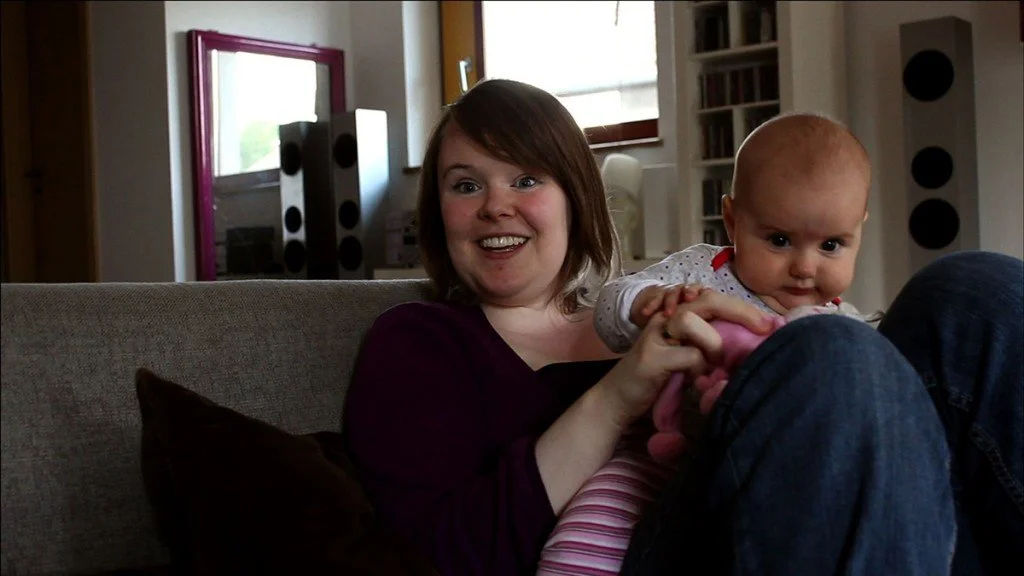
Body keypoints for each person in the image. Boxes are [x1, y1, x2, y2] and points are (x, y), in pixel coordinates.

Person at [342, 78, 1023, 576]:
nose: (495, 205)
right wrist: (621, 394)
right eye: (466, 185)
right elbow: (441, 554)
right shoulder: (420, 341)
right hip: (674, 544)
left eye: (526, 180)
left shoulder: (660, 299)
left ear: (575, 197)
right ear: (438, 211)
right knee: (828, 347)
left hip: (881, 522)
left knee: (973, 289)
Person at [596, 112, 875, 464]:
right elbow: (606, 311)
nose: (804, 268)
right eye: (779, 240)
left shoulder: (842, 327)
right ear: (732, 221)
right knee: (606, 490)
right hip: (662, 457)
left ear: (859, 230)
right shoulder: (701, 272)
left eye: (831, 245)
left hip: (776, 466)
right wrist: (647, 301)